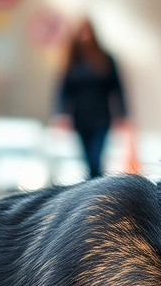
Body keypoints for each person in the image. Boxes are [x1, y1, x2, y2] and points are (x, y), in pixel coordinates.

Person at [55, 20, 128, 179]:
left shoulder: (105, 60)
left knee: (96, 158)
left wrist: (122, 115)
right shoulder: (73, 62)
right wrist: (61, 114)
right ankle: (92, 187)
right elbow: (63, 91)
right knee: (87, 159)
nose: (85, 37)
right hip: (80, 118)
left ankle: (94, 188)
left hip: (101, 117)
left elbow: (118, 89)